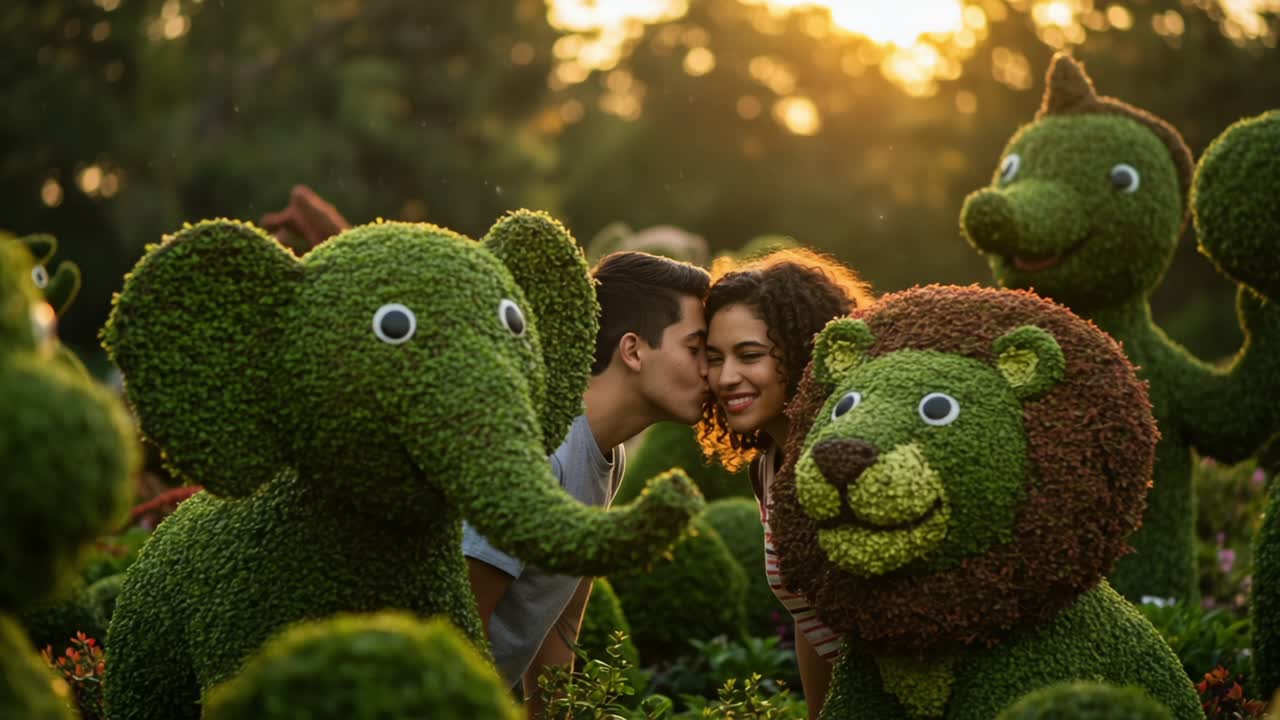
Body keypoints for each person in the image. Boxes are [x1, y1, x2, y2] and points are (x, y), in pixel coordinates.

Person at [261, 191, 712, 716]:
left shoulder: (606, 456)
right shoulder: (539, 453)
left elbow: (560, 625)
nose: (712, 370)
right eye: (696, 349)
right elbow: (457, 627)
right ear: (633, 350)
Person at [696, 248, 871, 720]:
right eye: (714, 358)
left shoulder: (849, 460)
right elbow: (809, 620)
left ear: (802, 352)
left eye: (749, 355)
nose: (726, 377)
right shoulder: (768, 467)